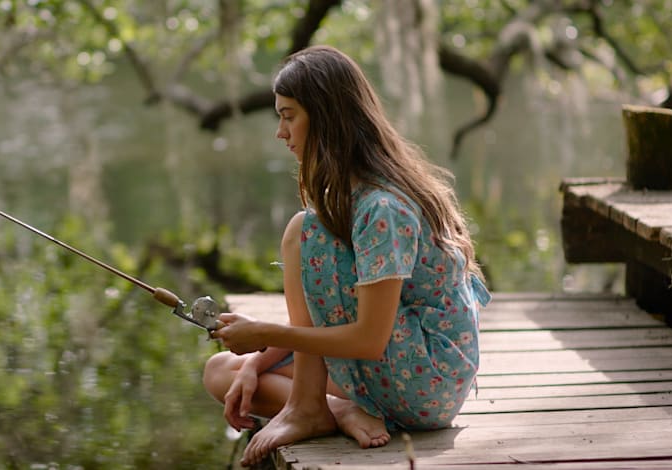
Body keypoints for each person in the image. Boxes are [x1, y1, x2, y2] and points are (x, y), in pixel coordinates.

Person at [202, 45, 491, 467]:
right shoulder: (356, 197)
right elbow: (342, 323)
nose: (280, 133)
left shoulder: (382, 208)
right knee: (223, 371)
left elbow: (369, 338)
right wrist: (259, 356)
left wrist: (267, 332)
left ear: (326, 118)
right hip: (399, 369)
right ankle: (334, 410)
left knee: (302, 231)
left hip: (427, 384)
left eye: (288, 116)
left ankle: (308, 407)